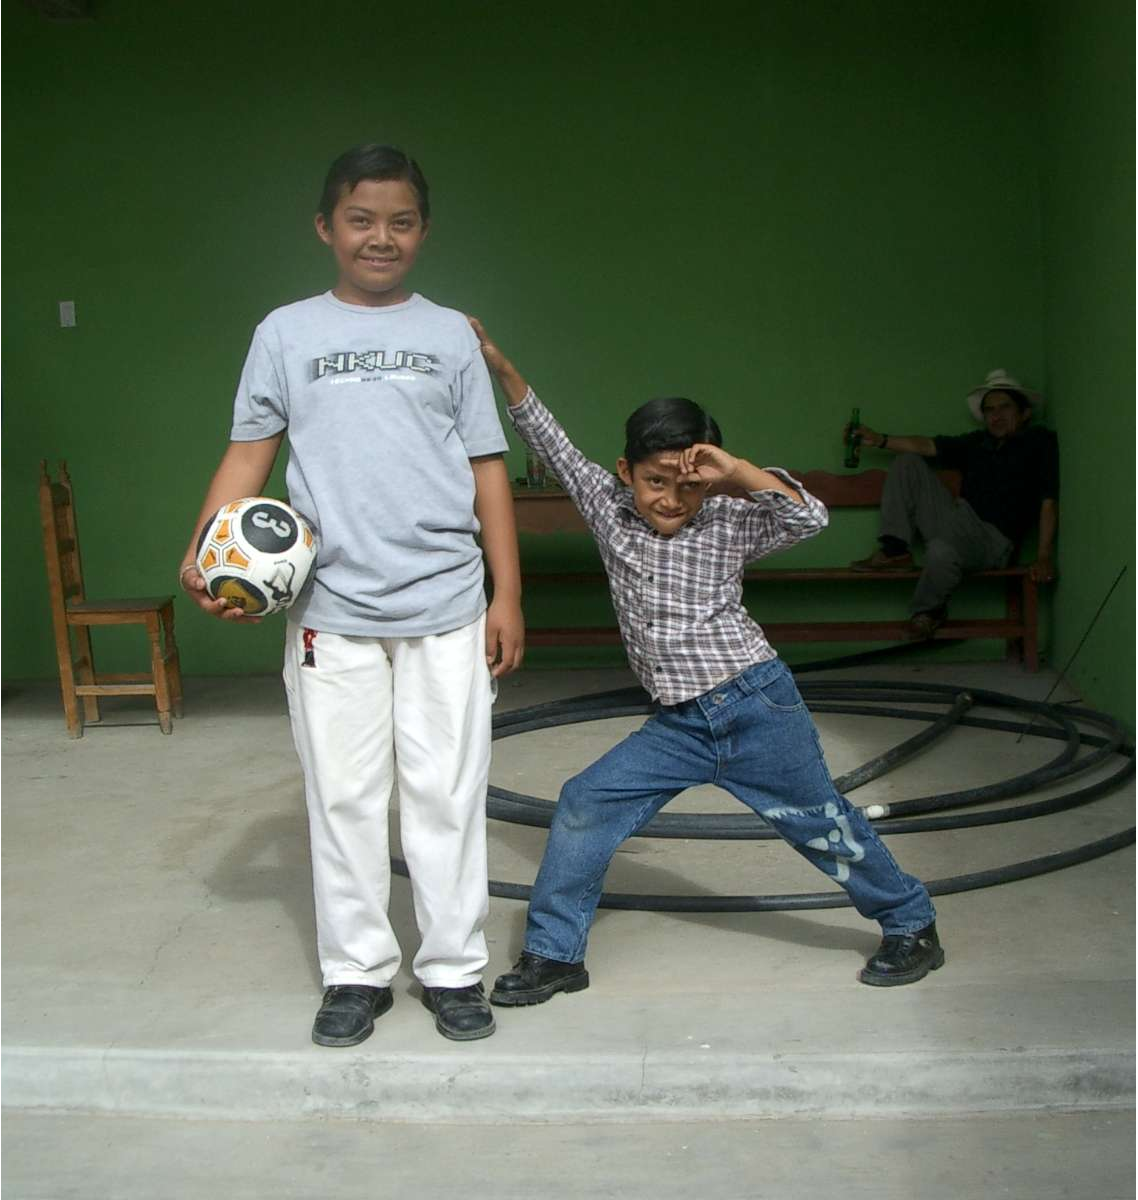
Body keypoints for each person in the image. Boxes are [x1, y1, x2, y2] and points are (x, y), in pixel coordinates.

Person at [468, 319, 944, 1007]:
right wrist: (498, 364)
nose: (672, 499)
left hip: (756, 705)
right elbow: (546, 436)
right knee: (583, 804)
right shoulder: (606, 507)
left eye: (689, 486)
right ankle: (555, 955)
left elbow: (808, 519)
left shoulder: (728, 517)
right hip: (679, 726)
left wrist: (735, 473)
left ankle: (911, 923)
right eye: (656, 481)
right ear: (625, 472)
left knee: (821, 823)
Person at [178, 144, 524, 1047]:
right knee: (344, 796)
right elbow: (251, 454)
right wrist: (204, 549)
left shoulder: (451, 332)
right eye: (362, 220)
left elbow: (489, 471)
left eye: (401, 221)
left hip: (447, 602)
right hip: (330, 611)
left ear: (423, 231)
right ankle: (356, 972)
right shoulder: (285, 333)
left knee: (446, 793)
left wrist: (507, 595)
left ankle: (453, 969)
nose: (382, 237)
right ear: (326, 227)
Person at [847, 369, 1059, 639]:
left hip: (992, 539)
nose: (996, 415)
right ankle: (895, 550)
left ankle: (928, 611)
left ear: (1025, 412)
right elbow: (925, 445)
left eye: (1005, 407)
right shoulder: (976, 443)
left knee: (940, 551)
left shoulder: (1039, 443)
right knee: (906, 461)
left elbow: (1048, 501)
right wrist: (880, 440)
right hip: (958, 518)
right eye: (990, 410)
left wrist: (1043, 556)